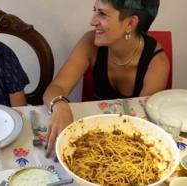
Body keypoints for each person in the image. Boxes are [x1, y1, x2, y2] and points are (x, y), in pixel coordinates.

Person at [43, 0, 169, 155]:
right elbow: (56, 87)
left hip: (127, 145)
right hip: (93, 135)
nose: (92, 21)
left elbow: (143, 126)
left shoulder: (157, 63)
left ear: (130, 23)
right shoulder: (90, 42)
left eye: (102, 14)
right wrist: (60, 106)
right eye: (95, 11)